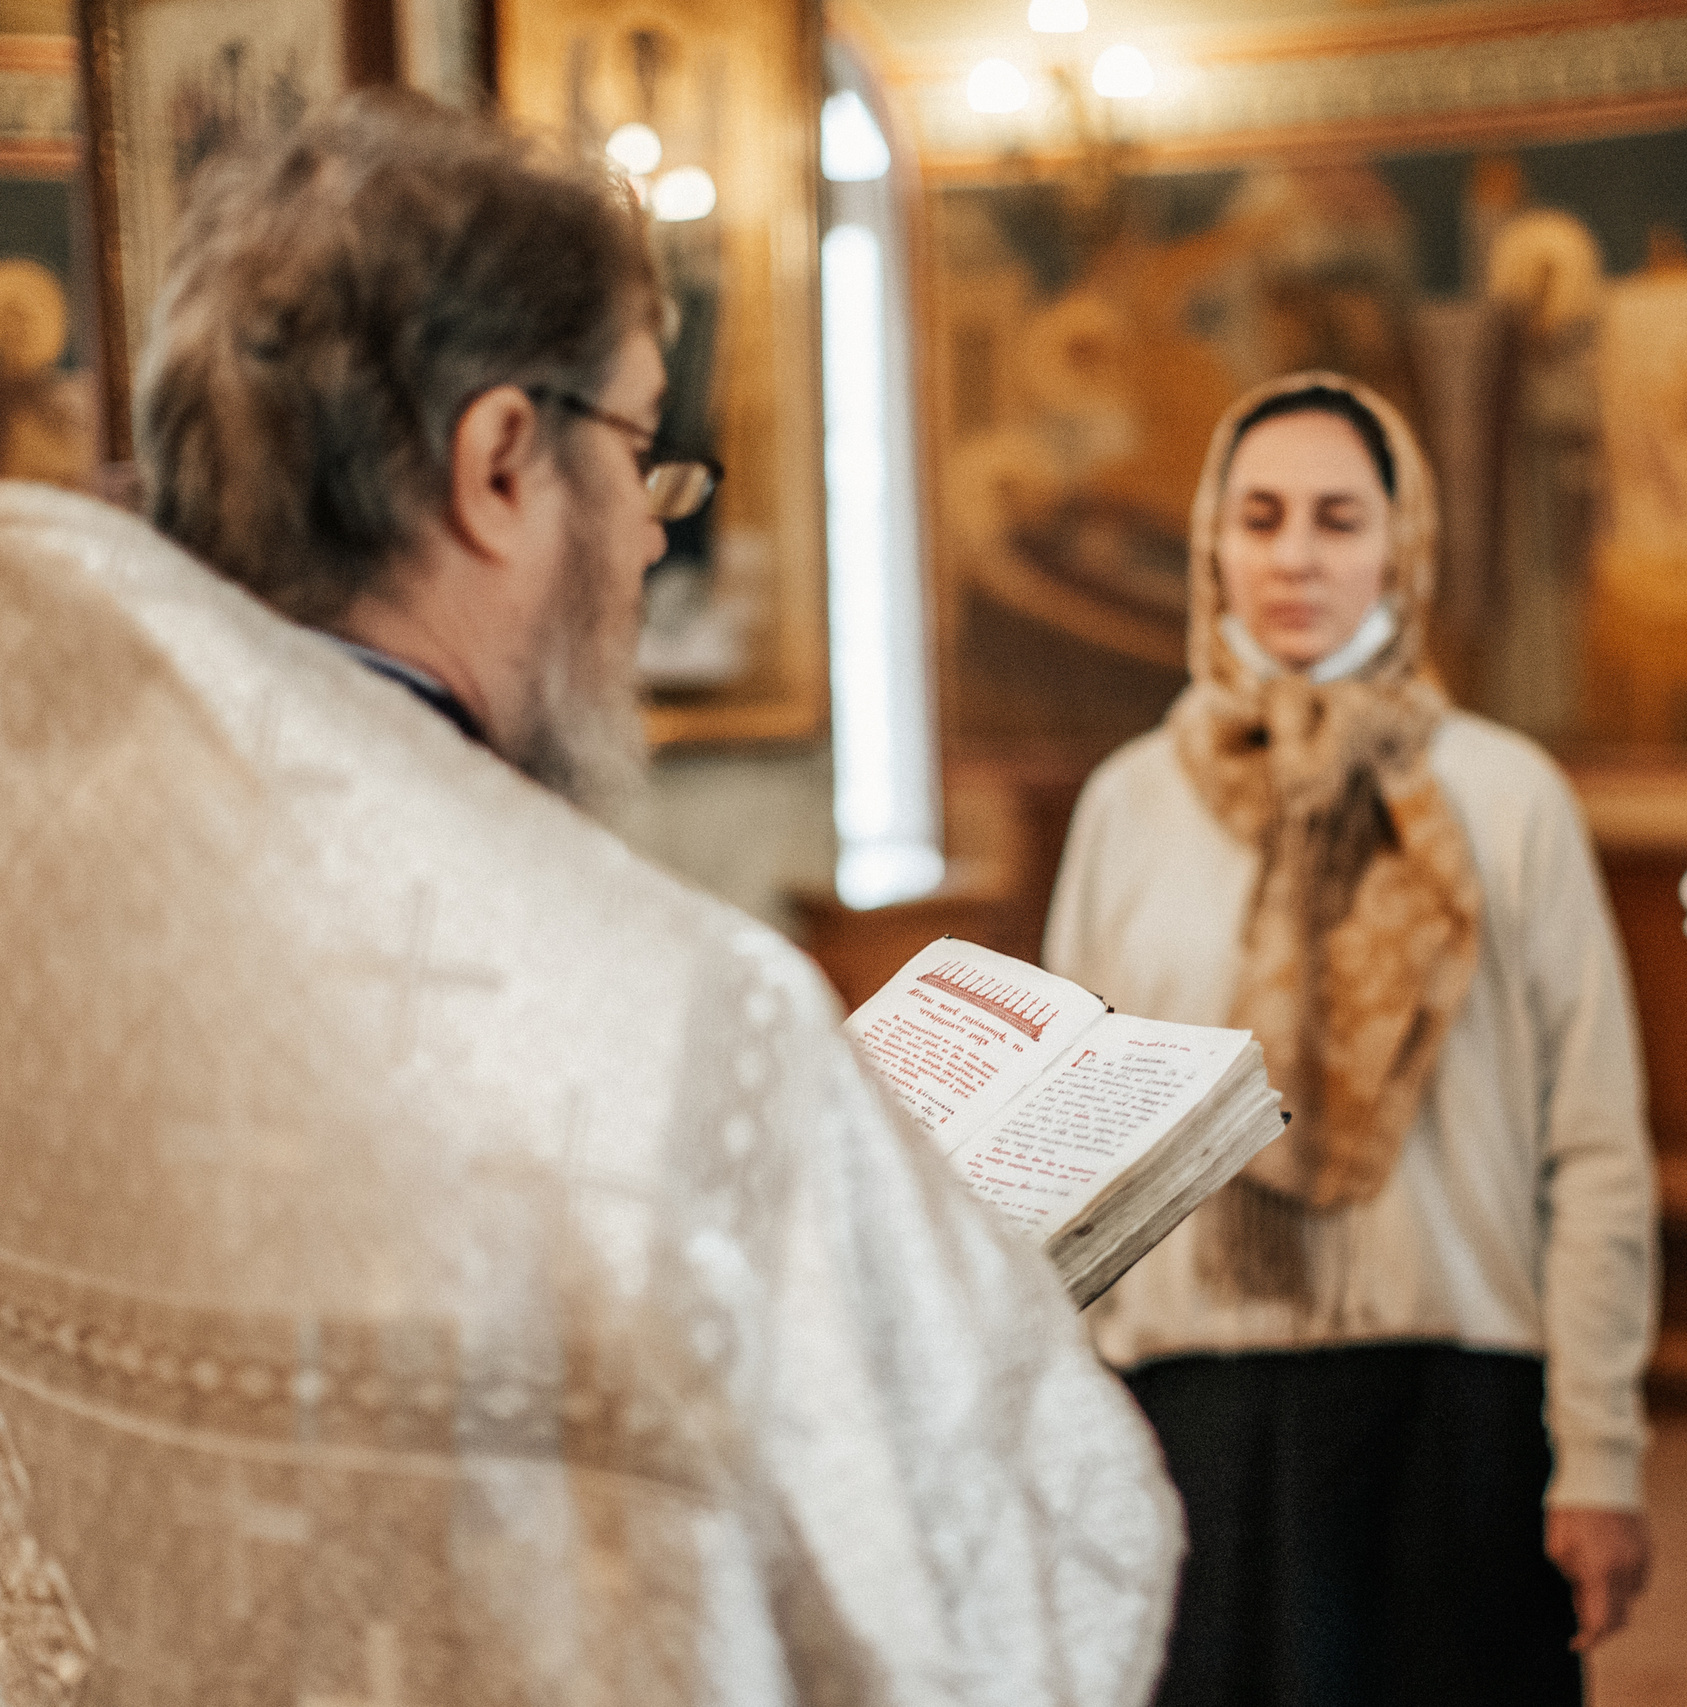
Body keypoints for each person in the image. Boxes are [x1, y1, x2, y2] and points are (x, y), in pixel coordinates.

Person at [0, 91, 1178, 1705]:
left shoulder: (41, 910)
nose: (644, 530)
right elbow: (1012, 1607)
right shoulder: (695, 1033)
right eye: (636, 450)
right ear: (499, 461)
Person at [1044, 373, 1657, 1707]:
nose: (1296, 555)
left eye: (1337, 517)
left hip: (1457, 1397)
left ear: (1403, 542)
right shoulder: (1128, 806)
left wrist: (1598, 1450)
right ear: (1213, 540)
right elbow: (1071, 1151)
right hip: (1189, 1405)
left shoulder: (1505, 796)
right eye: (1260, 517)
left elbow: (1596, 1142)